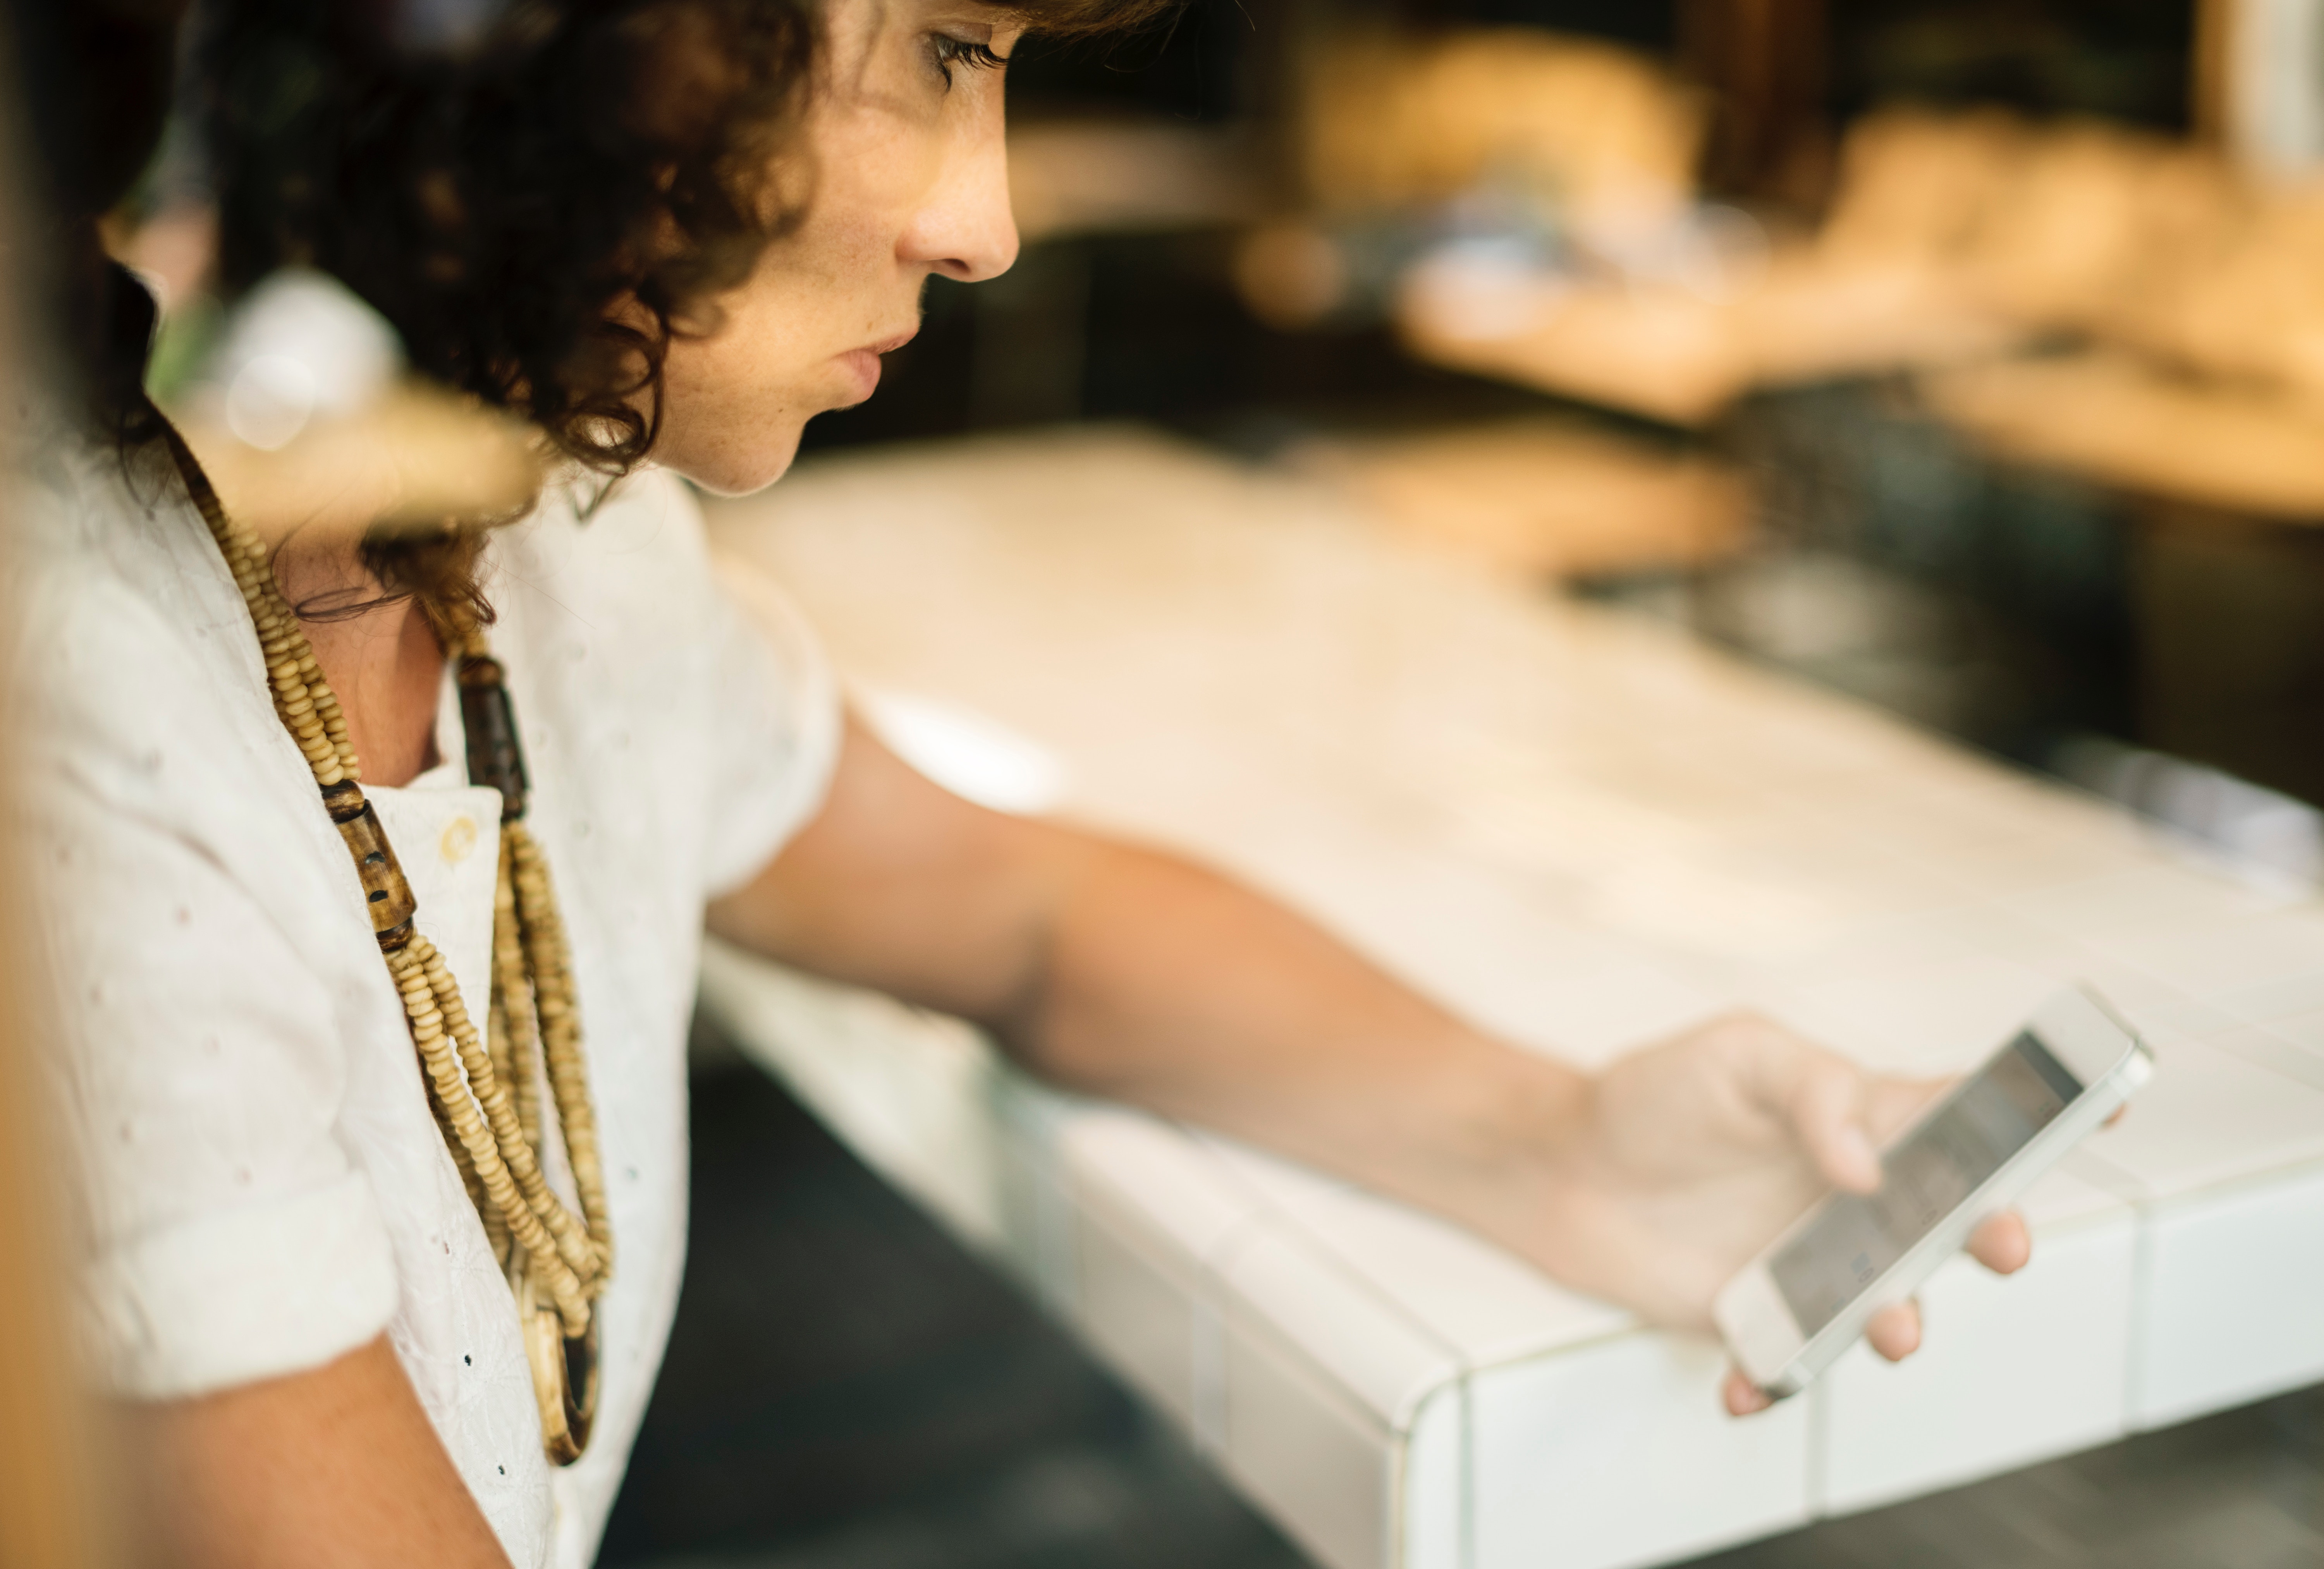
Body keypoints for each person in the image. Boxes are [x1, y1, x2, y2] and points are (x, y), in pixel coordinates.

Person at [15, 2, 2030, 1566]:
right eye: (942, 51)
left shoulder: (564, 538)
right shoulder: (82, 732)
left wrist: (1567, 1142)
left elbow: (1021, 913)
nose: (983, 222)